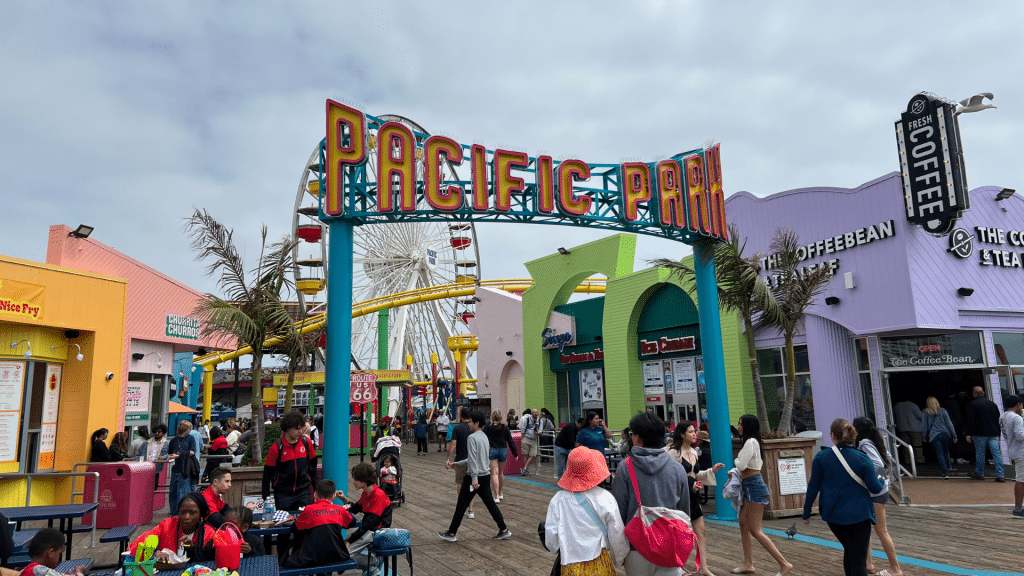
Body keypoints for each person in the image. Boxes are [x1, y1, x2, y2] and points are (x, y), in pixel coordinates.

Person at [610, 411, 690, 576]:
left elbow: (619, 511)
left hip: (636, 547)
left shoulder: (626, 468)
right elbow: (684, 512)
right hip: (670, 545)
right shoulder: (678, 469)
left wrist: (619, 549)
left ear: (637, 438)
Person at [803, 419, 886, 576]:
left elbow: (813, 487)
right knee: (859, 561)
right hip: (859, 515)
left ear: (832, 436)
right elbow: (875, 487)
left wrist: (806, 512)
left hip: (833, 516)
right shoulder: (862, 458)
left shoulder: (821, 457)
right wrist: (882, 476)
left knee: (849, 551)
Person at [544, 447, 629, 575]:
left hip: (570, 566)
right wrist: (619, 559)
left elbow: (552, 541)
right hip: (600, 563)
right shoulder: (605, 498)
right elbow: (616, 533)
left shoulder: (558, 500)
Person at [732, 414, 793, 576]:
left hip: (754, 487)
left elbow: (741, 465)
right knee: (743, 524)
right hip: (751, 485)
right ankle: (748, 564)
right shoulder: (752, 442)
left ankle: (784, 563)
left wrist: (736, 461)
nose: (738, 426)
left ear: (748, 426)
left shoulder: (750, 442)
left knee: (755, 530)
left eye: (741, 423)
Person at [438, 412, 512, 542]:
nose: (469, 424)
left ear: (477, 423)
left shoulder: (472, 438)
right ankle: (504, 529)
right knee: (490, 504)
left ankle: (451, 533)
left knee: (461, 505)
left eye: (471, 422)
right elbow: (476, 458)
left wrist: (474, 479)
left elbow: (472, 460)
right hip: (485, 475)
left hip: (474, 478)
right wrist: (458, 463)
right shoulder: (484, 436)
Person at [666, 422, 724, 576]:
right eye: (691, 432)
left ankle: (703, 567)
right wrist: (690, 484)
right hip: (680, 497)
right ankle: (680, 567)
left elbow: (696, 475)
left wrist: (712, 470)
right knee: (681, 533)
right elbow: (671, 477)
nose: (694, 434)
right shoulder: (674, 453)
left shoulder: (693, 451)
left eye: (694, 431)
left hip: (694, 495)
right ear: (682, 434)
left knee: (701, 532)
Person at [262, 410, 319, 561]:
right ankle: (282, 561)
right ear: (288, 428)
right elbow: (267, 472)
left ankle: (298, 560)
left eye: (302, 428)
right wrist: (266, 495)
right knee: (283, 530)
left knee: (302, 527)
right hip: (283, 494)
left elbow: (313, 468)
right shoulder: (277, 447)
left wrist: (317, 490)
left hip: (303, 492)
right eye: (297, 428)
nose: (301, 431)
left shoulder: (306, 443)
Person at [853, 417, 903, 576]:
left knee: (881, 531)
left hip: (875, 493)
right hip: (877, 491)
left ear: (858, 430)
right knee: (864, 527)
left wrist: (876, 481)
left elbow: (878, 465)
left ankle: (895, 568)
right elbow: (886, 457)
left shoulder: (864, 443)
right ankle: (868, 564)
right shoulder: (874, 441)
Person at [284, 479, 355, 568]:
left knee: (288, 562)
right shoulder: (340, 510)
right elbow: (352, 522)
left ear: (315, 494)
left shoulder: (309, 510)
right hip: (337, 555)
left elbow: (295, 527)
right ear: (333, 497)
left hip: (311, 557)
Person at [129, 492, 216, 563]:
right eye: (183, 512)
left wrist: (192, 548)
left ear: (200, 514)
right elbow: (135, 547)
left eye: (192, 512)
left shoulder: (208, 533)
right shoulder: (167, 525)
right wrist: (154, 553)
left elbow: (209, 560)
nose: (187, 516)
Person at [336, 462, 393, 556]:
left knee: (345, 554)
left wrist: (351, 540)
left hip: (377, 532)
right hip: (368, 529)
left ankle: (372, 563)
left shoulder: (378, 496)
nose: (353, 482)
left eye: (355, 480)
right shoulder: (366, 493)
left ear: (363, 482)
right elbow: (355, 509)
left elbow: (369, 523)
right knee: (340, 546)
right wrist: (343, 499)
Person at [966, 386, 1005, 481]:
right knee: (996, 454)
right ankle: (1000, 475)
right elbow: (998, 419)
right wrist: (999, 433)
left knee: (980, 454)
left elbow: (970, 420)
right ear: (983, 393)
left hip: (979, 433)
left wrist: (968, 433)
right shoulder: (992, 404)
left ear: (974, 394)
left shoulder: (972, 404)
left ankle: (980, 473)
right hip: (993, 433)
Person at [19, 528, 89, 576]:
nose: (59, 559)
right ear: (51, 553)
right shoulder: (39, 570)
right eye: (59, 554)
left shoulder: (25, 571)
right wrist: (78, 571)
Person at [483, 410, 518, 501]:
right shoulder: (505, 427)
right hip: (503, 450)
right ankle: (500, 492)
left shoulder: (488, 426)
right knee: (500, 473)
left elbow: (482, 436)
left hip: (492, 450)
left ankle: (496, 496)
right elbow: (510, 440)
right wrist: (515, 453)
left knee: (494, 473)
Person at [446, 408, 475, 519]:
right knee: (472, 485)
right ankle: (471, 510)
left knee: (460, 484)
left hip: (460, 460)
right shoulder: (474, 428)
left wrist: (448, 458)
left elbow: (453, 444)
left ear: (461, 416)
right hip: (473, 460)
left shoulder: (457, 428)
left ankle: (462, 508)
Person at [999, 394, 1024, 518]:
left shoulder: (1003, 416)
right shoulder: (1016, 418)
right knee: (1021, 479)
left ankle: (1019, 508)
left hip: (1013, 450)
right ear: (1018, 404)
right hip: (1022, 452)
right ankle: (1018, 509)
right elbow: (1020, 436)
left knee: (1021, 479)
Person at [922, 396, 957, 479]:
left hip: (934, 435)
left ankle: (945, 472)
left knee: (939, 452)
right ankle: (948, 467)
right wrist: (954, 435)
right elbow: (949, 424)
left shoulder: (925, 412)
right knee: (946, 451)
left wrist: (924, 435)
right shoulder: (943, 411)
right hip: (945, 434)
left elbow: (924, 425)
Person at [167, 421, 199, 514]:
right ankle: (175, 515)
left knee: (182, 494)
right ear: (186, 429)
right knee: (173, 493)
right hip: (176, 468)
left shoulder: (190, 438)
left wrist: (177, 456)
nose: (190, 430)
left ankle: (180, 514)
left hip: (185, 469)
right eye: (190, 428)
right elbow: (171, 452)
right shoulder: (174, 440)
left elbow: (192, 452)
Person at [140, 424, 170, 489]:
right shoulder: (146, 443)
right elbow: (138, 454)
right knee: (143, 487)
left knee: (154, 487)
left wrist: (163, 457)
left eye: (159, 432)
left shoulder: (166, 443)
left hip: (156, 468)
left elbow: (170, 454)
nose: (156, 433)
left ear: (163, 433)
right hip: (145, 467)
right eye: (155, 432)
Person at [519, 408, 541, 475]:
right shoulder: (527, 419)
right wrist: (522, 439)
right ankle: (526, 469)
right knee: (525, 454)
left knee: (533, 455)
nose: (535, 413)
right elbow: (523, 429)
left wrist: (538, 432)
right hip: (526, 438)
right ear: (531, 414)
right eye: (534, 412)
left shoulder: (539, 421)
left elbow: (541, 429)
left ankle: (525, 468)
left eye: (536, 412)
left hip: (534, 439)